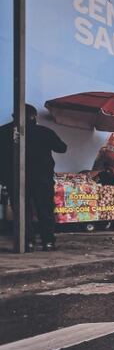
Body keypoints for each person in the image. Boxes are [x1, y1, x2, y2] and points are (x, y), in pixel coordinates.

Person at [0, 104, 67, 251]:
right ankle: (48, 242)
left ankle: (27, 243)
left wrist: (3, 180)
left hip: (14, 179)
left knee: (22, 212)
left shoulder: (3, 132)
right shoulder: (44, 132)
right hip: (41, 179)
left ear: (14, 116)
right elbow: (62, 148)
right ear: (33, 116)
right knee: (45, 210)